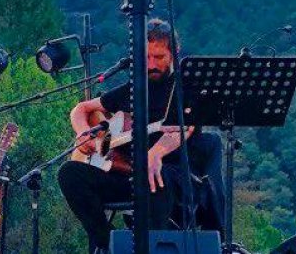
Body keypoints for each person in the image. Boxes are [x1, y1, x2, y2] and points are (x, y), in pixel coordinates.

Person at [57, 20, 226, 253]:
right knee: (69, 173)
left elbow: (183, 128)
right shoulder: (134, 88)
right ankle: (109, 245)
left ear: (174, 53)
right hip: (130, 175)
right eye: (146, 57)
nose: (151, 64)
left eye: (159, 57)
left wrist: (156, 153)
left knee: (154, 173)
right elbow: (81, 109)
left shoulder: (186, 87)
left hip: (174, 177)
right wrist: (84, 134)